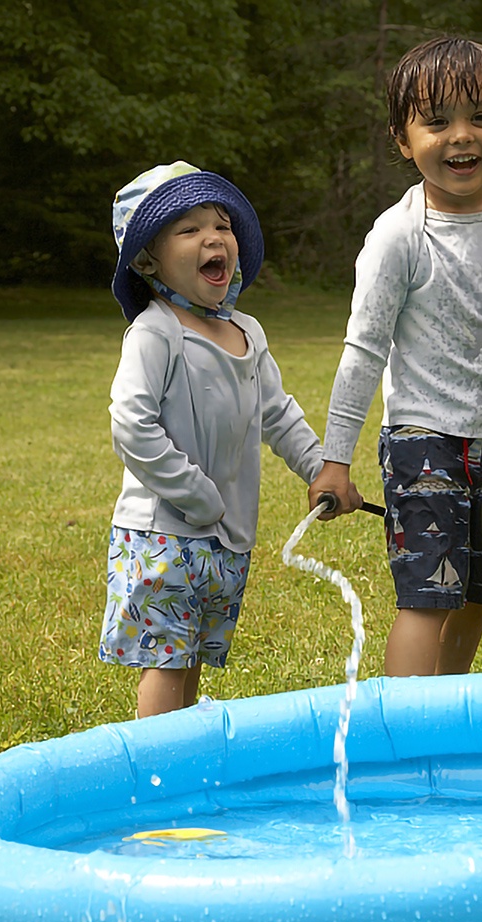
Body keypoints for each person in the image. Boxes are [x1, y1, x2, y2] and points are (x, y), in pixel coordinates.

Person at [308, 37, 482, 678]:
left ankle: (447, 727)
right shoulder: (399, 236)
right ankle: (404, 741)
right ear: (403, 138)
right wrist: (335, 461)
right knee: (428, 598)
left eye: (481, 117)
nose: (462, 136)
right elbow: (362, 353)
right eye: (437, 122)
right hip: (422, 442)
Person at [100, 161, 346, 717]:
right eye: (188, 230)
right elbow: (131, 425)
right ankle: (157, 780)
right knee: (166, 662)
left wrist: (319, 467)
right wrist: (194, 493)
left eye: (222, 226)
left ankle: (181, 771)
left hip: (226, 538)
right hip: (163, 536)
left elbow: (277, 413)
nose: (213, 237)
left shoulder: (246, 333)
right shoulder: (155, 332)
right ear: (147, 259)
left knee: (188, 665)